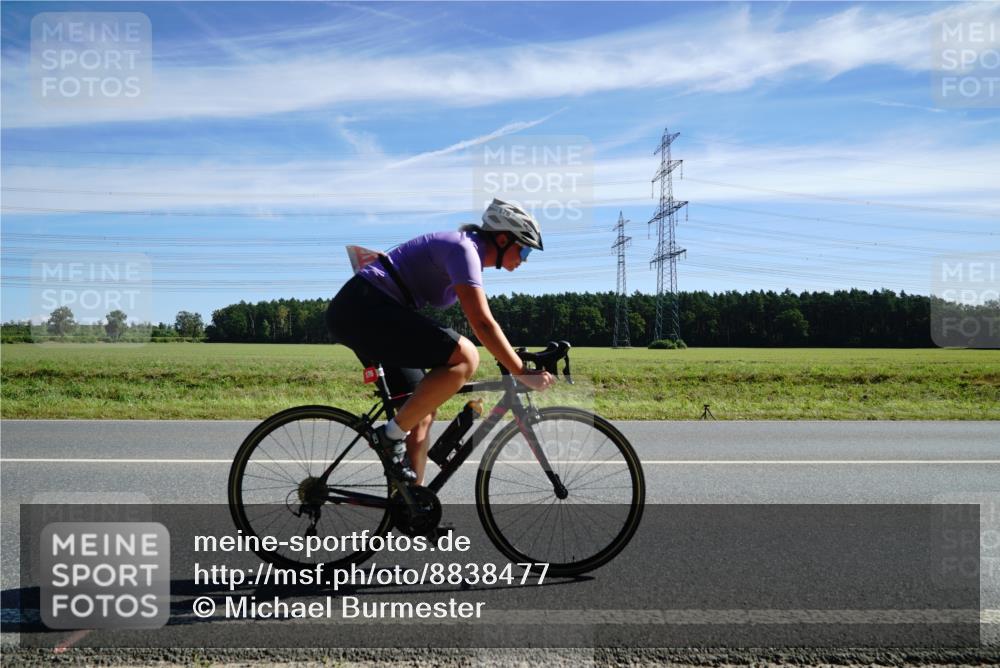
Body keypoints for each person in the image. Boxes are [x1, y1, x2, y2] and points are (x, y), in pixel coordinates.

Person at [326, 198, 556, 484]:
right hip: (363, 309)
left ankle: (410, 503)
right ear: (502, 239)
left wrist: (516, 363)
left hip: (374, 312)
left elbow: (484, 321)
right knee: (466, 356)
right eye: (524, 250)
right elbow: (482, 324)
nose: (524, 259)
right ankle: (389, 437)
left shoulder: (468, 254)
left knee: (420, 414)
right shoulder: (464, 250)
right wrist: (520, 371)